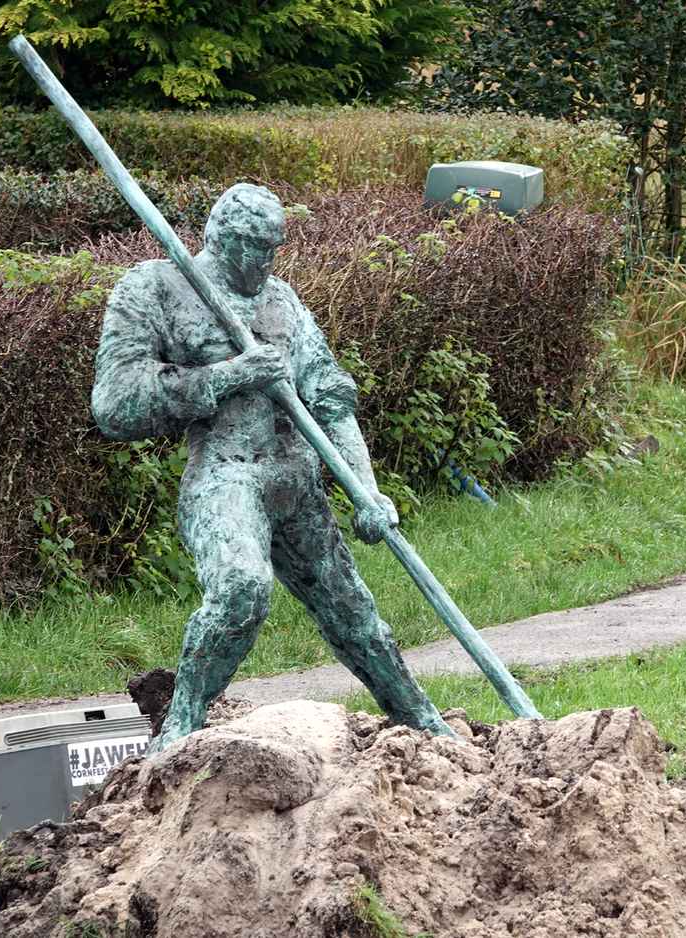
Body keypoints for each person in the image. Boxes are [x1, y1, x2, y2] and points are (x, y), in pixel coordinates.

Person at [92, 182, 452, 751]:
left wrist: (367, 490)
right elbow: (115, 404)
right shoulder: (157, 288)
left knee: (354, 614)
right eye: (251, 247)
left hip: (295, 478)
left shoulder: (282, 302)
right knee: (240, 589)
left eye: (272, 247)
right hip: (226, 474)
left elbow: (330, 397)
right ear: (217, 237)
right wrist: (230, 375)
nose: (263, 261)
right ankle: (183, 721)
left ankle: (422, 723)